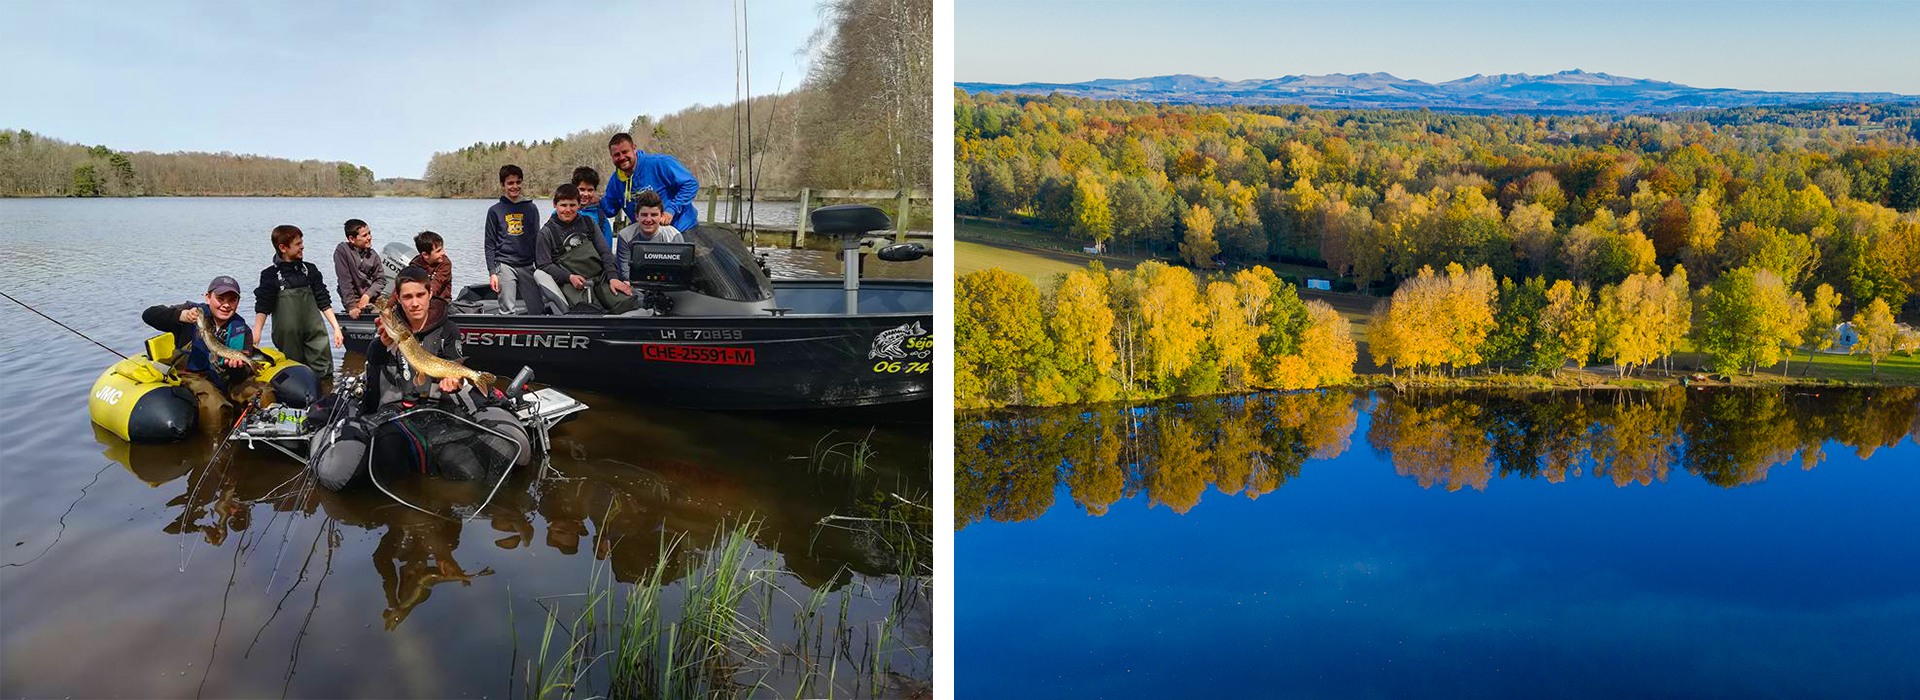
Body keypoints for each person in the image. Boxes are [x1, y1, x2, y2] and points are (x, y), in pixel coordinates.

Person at [310, 266, 529, 492]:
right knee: (388, 454)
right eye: (407, 297)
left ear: (430, 294)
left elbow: (455, 369)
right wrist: (380, 346)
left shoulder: (449, 329)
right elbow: (373, 377)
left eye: (420, 295)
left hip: (437, 410)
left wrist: (455, 384)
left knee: (465, 469)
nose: (414, 303)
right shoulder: (391, 331)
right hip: (396, 410)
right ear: (400, 299)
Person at [142, 275, 270, 427]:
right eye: (220, 298)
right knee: (214, 407)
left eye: (232, 300)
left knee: (265, 393)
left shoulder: (243, 330)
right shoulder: (192, 313)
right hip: (194, 376)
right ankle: (214, 444)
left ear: (238, 302)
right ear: (208, 297)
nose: (226, 305)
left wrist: (236, 367)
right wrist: (180, 316)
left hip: (226, 378)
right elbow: (149, 315)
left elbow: (239, 377)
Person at [255, 224, 344, 379]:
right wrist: (257, 332)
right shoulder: (270, 275)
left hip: (315, 333)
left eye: (301, 242)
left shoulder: (310, 270)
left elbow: (323, 300)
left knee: (323, 371)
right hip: (287, 337)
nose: (302, 247)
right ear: (283, 248)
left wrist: (336, 328)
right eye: (298, 244)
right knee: (294, 373)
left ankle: (325, 396)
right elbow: (263, 306)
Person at [535, 184, 638, 314]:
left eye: (572, 205)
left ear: (579, 205)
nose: (568, 209)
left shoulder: (589, 222)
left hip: (600, 278)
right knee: (589, 311)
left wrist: (613, 277)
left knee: (628, 302)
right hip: (571, 282)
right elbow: (544, 265)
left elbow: (605, 252)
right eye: (563, 205)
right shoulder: (546, 233)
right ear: (555, 205)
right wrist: (569, 277)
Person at [599, 132, 699, 232]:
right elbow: (610, 211)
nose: (621, 157)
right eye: (616, 155)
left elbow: (690, 184)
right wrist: (597, 200)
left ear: (634, 148)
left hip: (682, 229)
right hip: (648, 236)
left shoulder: (660, 163)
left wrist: (671, 210)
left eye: (625, 152)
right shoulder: (616, 180)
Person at [484, 164, 544, 314]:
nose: (515, 186)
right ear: (502, 185)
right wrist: (492, 272)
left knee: (538, 309)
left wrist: (541, 266)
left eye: (518, 182)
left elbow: (536, 239)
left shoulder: (531, 208)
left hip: (527, 265)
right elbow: (490, 243)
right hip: (504, 264)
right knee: (507, 309)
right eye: (510, 183)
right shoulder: (495, 211)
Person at [334, 218, 388, 320]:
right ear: (352, 239)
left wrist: (367, 296)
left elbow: (381, 280)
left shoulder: (373, 255)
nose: (369, 237)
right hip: (353, 299)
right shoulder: (342, 251)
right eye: (364, 235)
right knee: (374, 315)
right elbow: (345, 281)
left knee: (393, 311)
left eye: (369, 233)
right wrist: (352, 307)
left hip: (371, 296)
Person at [571, 166, 616, 252]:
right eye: (582, 189)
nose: (586, 194)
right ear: (574, 188)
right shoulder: (562, 212)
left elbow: (607, 248)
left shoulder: (600, 216)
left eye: (590, 190)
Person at [409, 230, 453, 303]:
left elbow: (436, 284)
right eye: (438, 251)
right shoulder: (415, 264)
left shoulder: (445, 263)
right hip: (419, 300)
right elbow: (403, 282)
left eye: (442, 249)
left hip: (440, 302)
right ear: (425, 255)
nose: (443, 253)